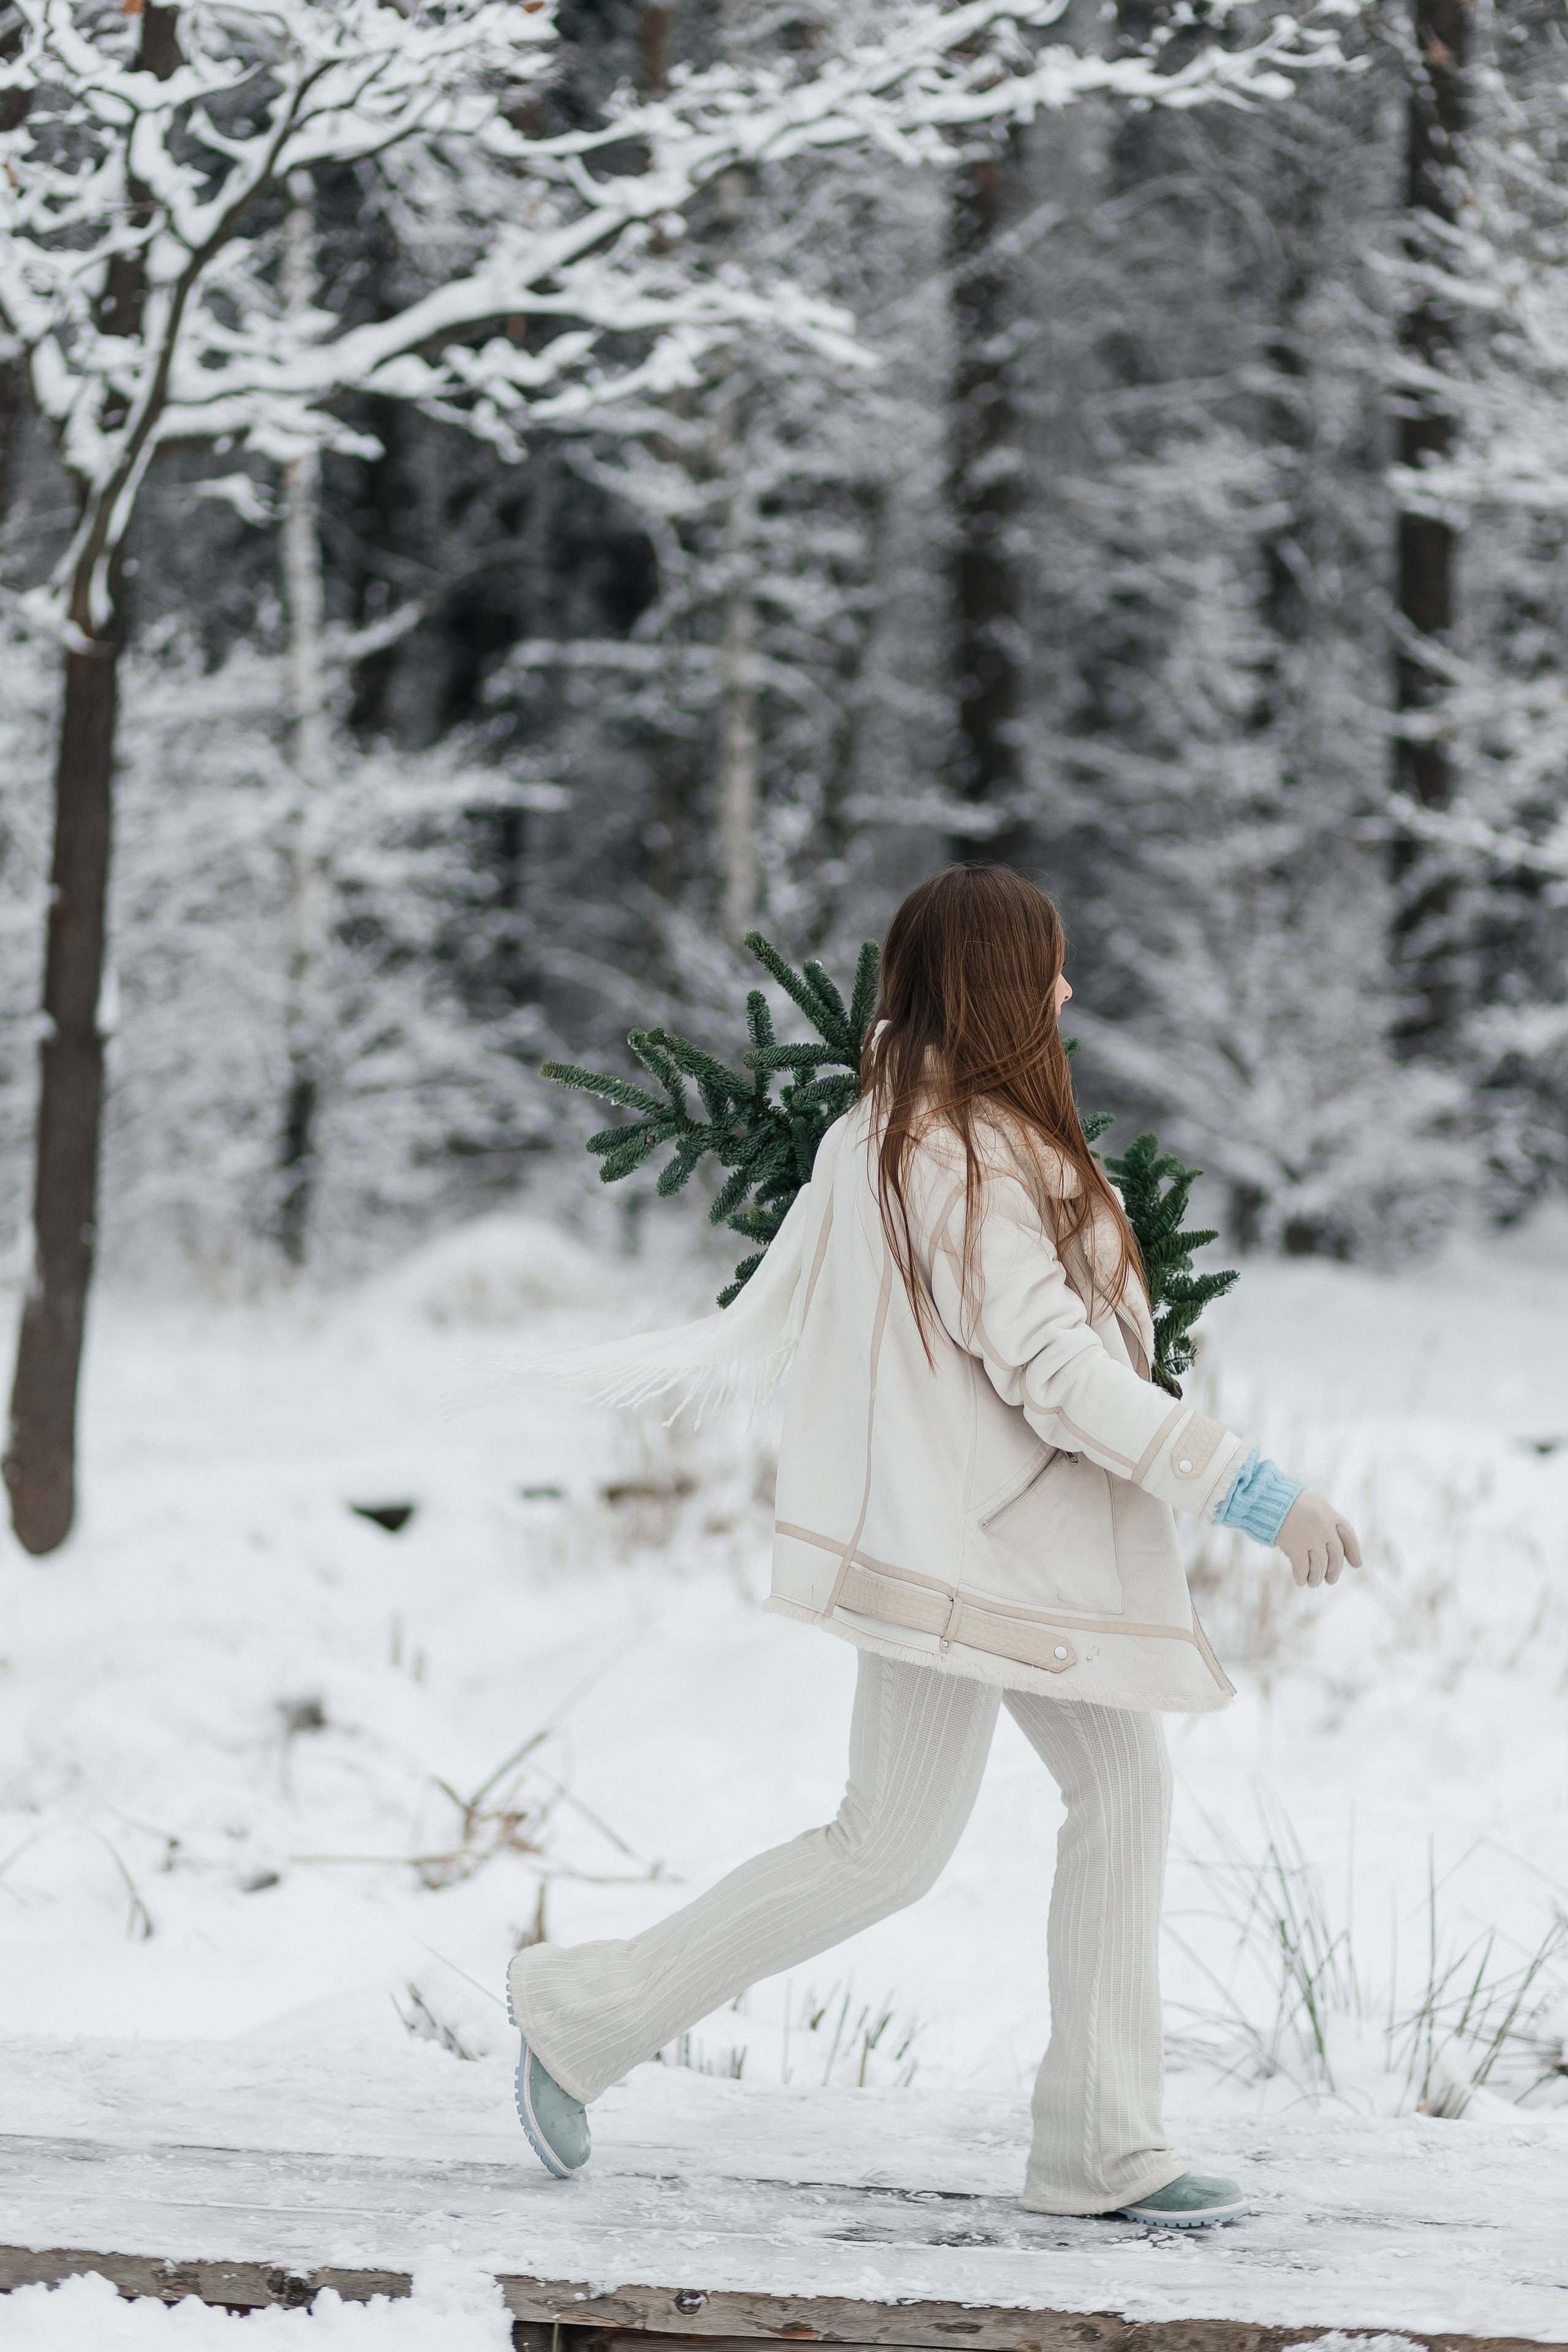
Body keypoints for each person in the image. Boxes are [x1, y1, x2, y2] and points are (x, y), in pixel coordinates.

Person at [506, 865, 1360, 2226]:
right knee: (889, 1849)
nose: (1068, 994)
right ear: (1000, 987)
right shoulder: (949, 1151)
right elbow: (1052, 1371)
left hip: (985, 1550)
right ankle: (585, 2009)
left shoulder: (913, 1133)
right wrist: (1249, 1490)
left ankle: (1099, 2144)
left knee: (1101, 1797)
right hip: (972, 1559)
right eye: (1051, 970)